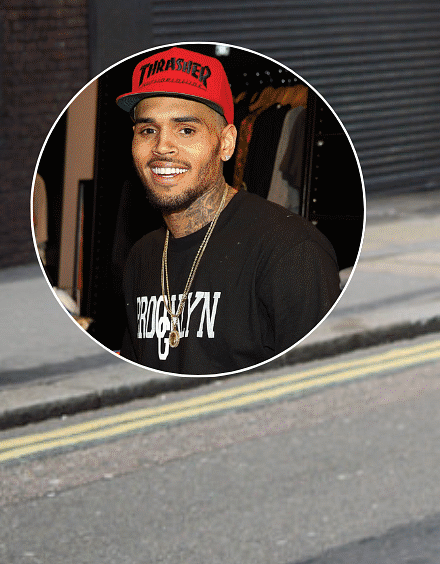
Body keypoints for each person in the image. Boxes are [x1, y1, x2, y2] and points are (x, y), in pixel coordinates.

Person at [117, 46, 340, 374]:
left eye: (186, 129)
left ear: (226, 143)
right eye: (147, 130)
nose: (162, 146)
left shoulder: (290, 250)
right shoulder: (142, 256)